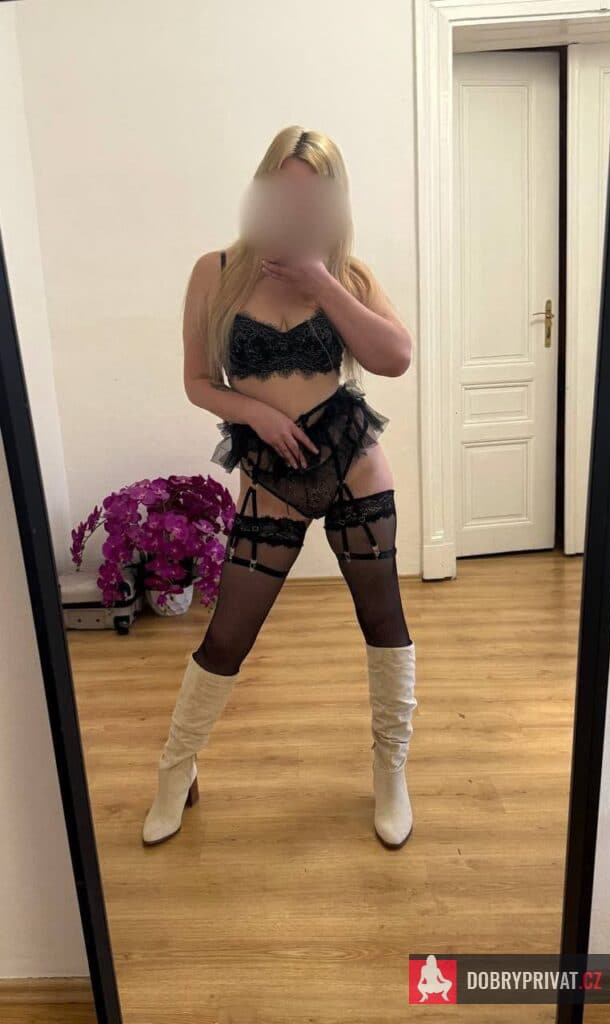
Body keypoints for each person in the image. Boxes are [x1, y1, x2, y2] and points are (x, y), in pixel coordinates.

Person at [142, 126, 419, 851]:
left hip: (352, 460)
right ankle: (175, 768)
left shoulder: (346, 273)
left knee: (383, 620)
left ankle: (390, 770)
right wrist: (257, 413)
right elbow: (198, 381)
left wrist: (321, 281)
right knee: (229, 633)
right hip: (269, 471)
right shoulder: (217, 271)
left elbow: (395, 357)